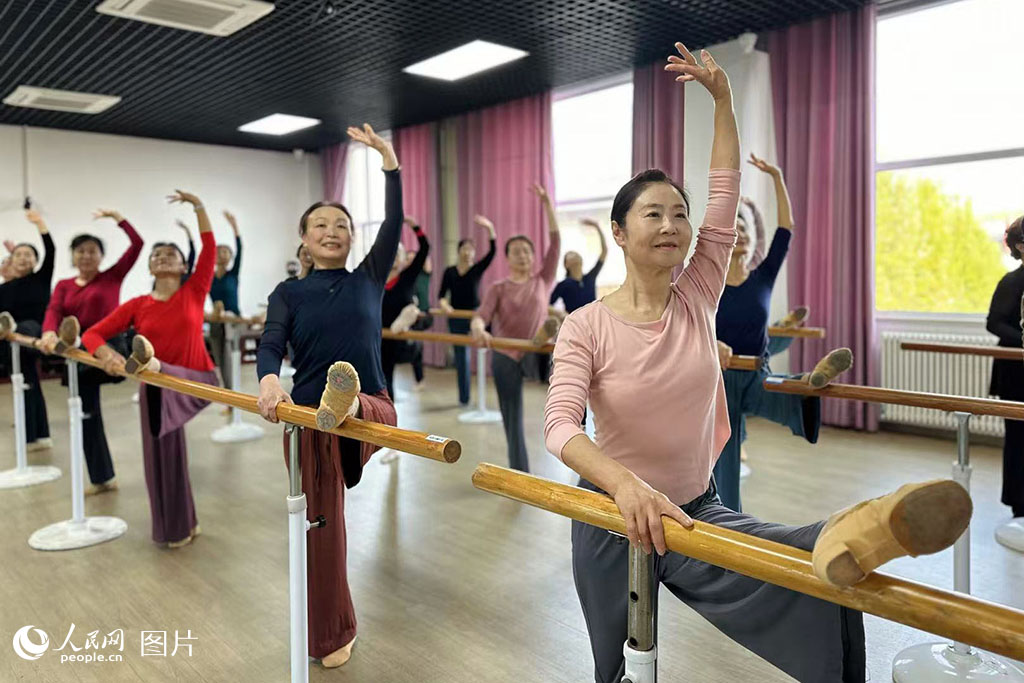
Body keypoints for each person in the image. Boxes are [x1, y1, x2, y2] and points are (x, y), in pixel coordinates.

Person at [543, 44, 972, 683]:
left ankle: (856, 529)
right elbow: (559, 426)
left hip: (693, 507)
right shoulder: (586, 325)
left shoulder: (698, 293)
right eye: (653, 213)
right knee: (613, 669)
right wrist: (625, 485)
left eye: (680, 214)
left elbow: (725, 191)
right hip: (611, 517)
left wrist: (723, 98)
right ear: (621, 233)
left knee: (801, 565)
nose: (672, 224)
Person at [255, 123, 401, 669]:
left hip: (372, 406)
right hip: (307, 419)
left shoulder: (369, 278)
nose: (332, 231)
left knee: (362, 408)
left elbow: (394, 221)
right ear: (304, 238)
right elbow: (271, 343)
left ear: (352, 238)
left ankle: (347, 404)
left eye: (342, 224)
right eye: (321, 224)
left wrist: (388, 162)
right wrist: (268, 380)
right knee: (322, 530)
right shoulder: (288, 292)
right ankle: (332, 634)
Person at [712, 152, 852, 512]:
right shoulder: (708, 283)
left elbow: (785, 230)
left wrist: (777, 177)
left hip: (757, 372)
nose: (741, 234)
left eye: (745, 229)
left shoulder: (763, 277)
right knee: (725, 455)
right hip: (717, 378)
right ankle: (726, 519)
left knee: (787, 391)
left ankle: (809, 381)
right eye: (734, 230)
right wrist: (712, 343)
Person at [82, 189, 220, 548]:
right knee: (161, 456)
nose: (162, 257)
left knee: (168, 444)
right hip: (157, 388)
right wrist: (107, 356)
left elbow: (209, 247)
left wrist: (199, 206)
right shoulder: (138, 304)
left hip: (193, 381)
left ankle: (150, 362)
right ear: (149, 267)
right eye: (156, 254)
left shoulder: (194, 291)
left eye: (171, 254)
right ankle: (180, 525)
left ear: (184, 266)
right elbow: (92, 334)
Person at [39, 209, 144, 494]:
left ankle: (72, 340)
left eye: (92, 251)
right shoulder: (64, 285)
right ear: (73, 256)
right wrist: (48, 332)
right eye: (81, 251)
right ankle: (102, 478)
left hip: (109, 347)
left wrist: (119, 219)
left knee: (87, 401)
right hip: (81, 356)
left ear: (101, 256)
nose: (86, 256)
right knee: (86, 415)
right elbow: (53, 310)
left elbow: (137, 245)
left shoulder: (112, 277)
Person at [471, 185, 561, 472]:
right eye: (516, 252)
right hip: (506, 354)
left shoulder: (542, 280)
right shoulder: (498, 288)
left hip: (538, 354)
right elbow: (480, 316)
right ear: (507, 258)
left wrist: (547, 204)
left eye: (526, 251)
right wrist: (479, 329)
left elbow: (555, 242)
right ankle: (520, 473)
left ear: (533, 257)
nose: (522, 255)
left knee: (567, 399)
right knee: (512, 417)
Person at [0, 209, 55, 449]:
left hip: (34, 334)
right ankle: (37, 436)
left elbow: (51, 250)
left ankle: (34, 436)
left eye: (28, 255)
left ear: (35, 261)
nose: (23, 258)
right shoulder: (4, 289)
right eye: (18, 255)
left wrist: (40, 224)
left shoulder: (40, 279)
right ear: (11, 261)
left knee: (28, 381)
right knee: (28, 383)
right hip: (11, 343)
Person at [987, 215, 1024, 522]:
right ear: (1021, 246)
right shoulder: (1011, 282)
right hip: (1015, 371)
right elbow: (994, 323)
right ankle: (1019, 503)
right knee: (1018, 438)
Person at [438, 215, 496, 405]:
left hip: (474, 316)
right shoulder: (450, 271)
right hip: (456, 317)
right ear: (459, 251)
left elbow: (492, 252)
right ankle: (464, 399)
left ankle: (484, 397)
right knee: (461, 359)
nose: (468, 252)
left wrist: (489, 229)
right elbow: (441, 295)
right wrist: (444, 305)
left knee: (478, 354)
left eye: (471, 249)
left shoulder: (477, 269)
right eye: (465, 248)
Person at [381, 217, 430, 399]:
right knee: (384, 382)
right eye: (391, 252)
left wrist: (415, 227)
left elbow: (425, 248)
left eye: (398, 253)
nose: (394, 256)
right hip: (382, 338)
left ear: (403, 259)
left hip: (403, 340)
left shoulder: (408, 276)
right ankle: (388, 412)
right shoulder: (376, 281)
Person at [208, 211, 243, 391]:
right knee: (220, 359)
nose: (221, 254)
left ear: (230, 257)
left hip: (233, 321)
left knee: (230, 358)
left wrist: (234, 227)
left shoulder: (233, 274)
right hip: (216, 320)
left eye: (225, 251)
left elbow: (240, 249)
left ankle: (234, 394)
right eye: (217, 251)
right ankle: (228, 393)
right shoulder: (209, 277)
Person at [549, 218, 607, 314]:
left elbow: (604, 251)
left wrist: (597, 227)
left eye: (577, 254)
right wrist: (561, 315)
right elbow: (548, 305)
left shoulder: (590, 278)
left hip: (593, 319)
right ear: (566, 264)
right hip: (574, 321)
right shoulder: (563, 284)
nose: (575, 255)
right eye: (571, 254)